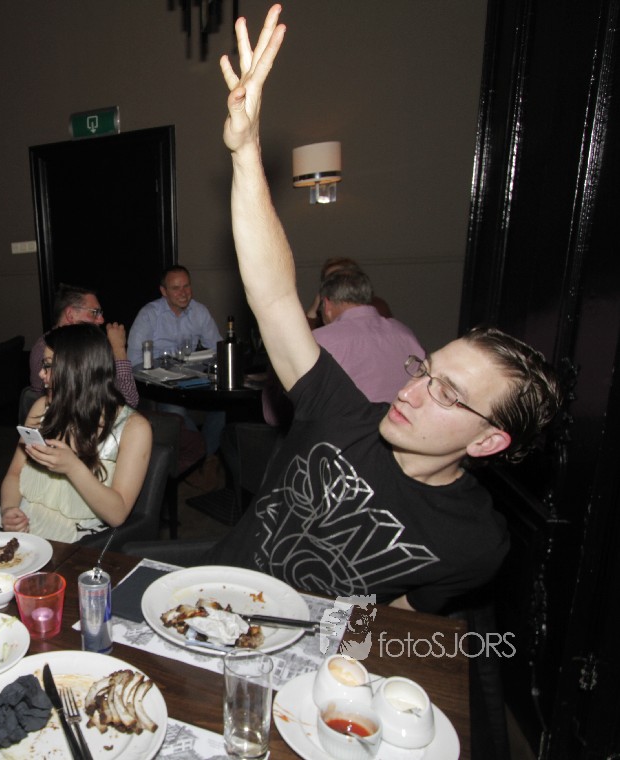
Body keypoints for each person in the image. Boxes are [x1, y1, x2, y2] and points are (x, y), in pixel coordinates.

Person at [209, 4, 561, 612]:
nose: (411, 391)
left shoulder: (475, 543)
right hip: (208, 604)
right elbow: (274, 296)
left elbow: (400, 629)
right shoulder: (343, 413)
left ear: (487, 440)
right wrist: (246, 152)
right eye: (425, 370)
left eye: (447, 393)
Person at [0, 324, 152, 543]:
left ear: (77, 369)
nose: (41, 374)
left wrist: (73, 467)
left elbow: (118, 514)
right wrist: (9, 510)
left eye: (48, 365)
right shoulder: (42, 408)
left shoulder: (133, 428)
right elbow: (14, 474)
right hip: (23, 526)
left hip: (77, 540)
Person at [263, 268, 424, 425]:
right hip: (400, 432)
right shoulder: (405, 334)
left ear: (326, 304)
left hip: (343, 438)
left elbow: (275, 415)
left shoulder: (319, 341)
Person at [127, 265, 225, 466]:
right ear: (164, 291)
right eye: (176, 288)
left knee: (223, 408)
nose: (183, 293)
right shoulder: (149, 314)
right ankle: (203, 458)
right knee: (175, 412)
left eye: (187, 286)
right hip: (161, 384)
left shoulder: (199, 311)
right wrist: (157, 374)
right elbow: (134, 360)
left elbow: (218, 349)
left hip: (191, 380)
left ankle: (201, 460)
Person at [28, 284, 138, 408]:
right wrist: (119, 349)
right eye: (95, 313)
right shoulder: (49, 349)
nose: (101, 320)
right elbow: (128, 402)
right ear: (70, 315)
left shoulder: (82, 346)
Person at [306, 257, 393, 329]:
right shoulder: (324, 310)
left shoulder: (375, 305)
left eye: (339, 278)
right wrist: (313, 309)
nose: (334, 283)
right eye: (329, 280)